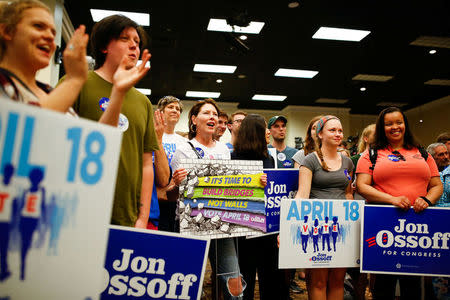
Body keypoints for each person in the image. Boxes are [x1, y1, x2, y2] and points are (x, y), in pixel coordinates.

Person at [71, 14, 157, 228]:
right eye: (124, 39)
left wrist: (142, 218)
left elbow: (147, 163)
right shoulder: (77, 82)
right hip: (77, 209)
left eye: (137, 42)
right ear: (103, 47)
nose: (133, 46)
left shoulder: (143, 102)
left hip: (126, 216)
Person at [356, 107, 443, 300]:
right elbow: (362, 186)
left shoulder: (422, 152)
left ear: (405, 125)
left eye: (399, 122)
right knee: (383, 283)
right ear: (381, 127)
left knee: (412, 282)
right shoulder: (371, 154)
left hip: (416, 226)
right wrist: (392, 199)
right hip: (383, 223)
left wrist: (427, 199)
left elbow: (437, 185)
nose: (395, 127)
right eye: (388, 124)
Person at [171, 99, 244, 300]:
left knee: (234, 285)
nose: (212, 117)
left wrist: (255, 183)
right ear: (194, 120)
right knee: (189, 284)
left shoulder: (223, 150)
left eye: (215, 114)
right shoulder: (183, 149)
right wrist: (176, 183)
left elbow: (229, 186)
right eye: (206, 113)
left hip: (221, 223)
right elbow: (170, 193)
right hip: (192, 224)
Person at [295, 115, 354, 300]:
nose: (338, 134)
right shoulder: (310, 160)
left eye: (340, 130)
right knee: (318, 281)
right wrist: (288, 226)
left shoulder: (348, 162)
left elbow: (348, 194)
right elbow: (302, 195)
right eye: (332, 130)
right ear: (320, 134)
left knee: (338, 281)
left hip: (342, 226)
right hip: (317, 226)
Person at [230, 114, 289, 300]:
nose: (268, 131)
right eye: (264, 127)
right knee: (245, 277)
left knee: (271, 278)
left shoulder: (269, 158)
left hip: (268, 230)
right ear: (255, 131)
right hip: (244, 229)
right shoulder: (233, 158)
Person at [0, 0, 87, 113]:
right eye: (38, 26)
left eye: (53, 32)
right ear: (7, 31)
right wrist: (74, 80)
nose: (51, 37)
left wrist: (117, 92)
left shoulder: (49, 91)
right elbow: (30, 126)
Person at [156, 95, 186, 232]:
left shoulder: (184, 142)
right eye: (170, 107)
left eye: (178, 108)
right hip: (155, 195)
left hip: (174, 197)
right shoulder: (152, 135)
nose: (175, 110)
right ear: (161, 111)